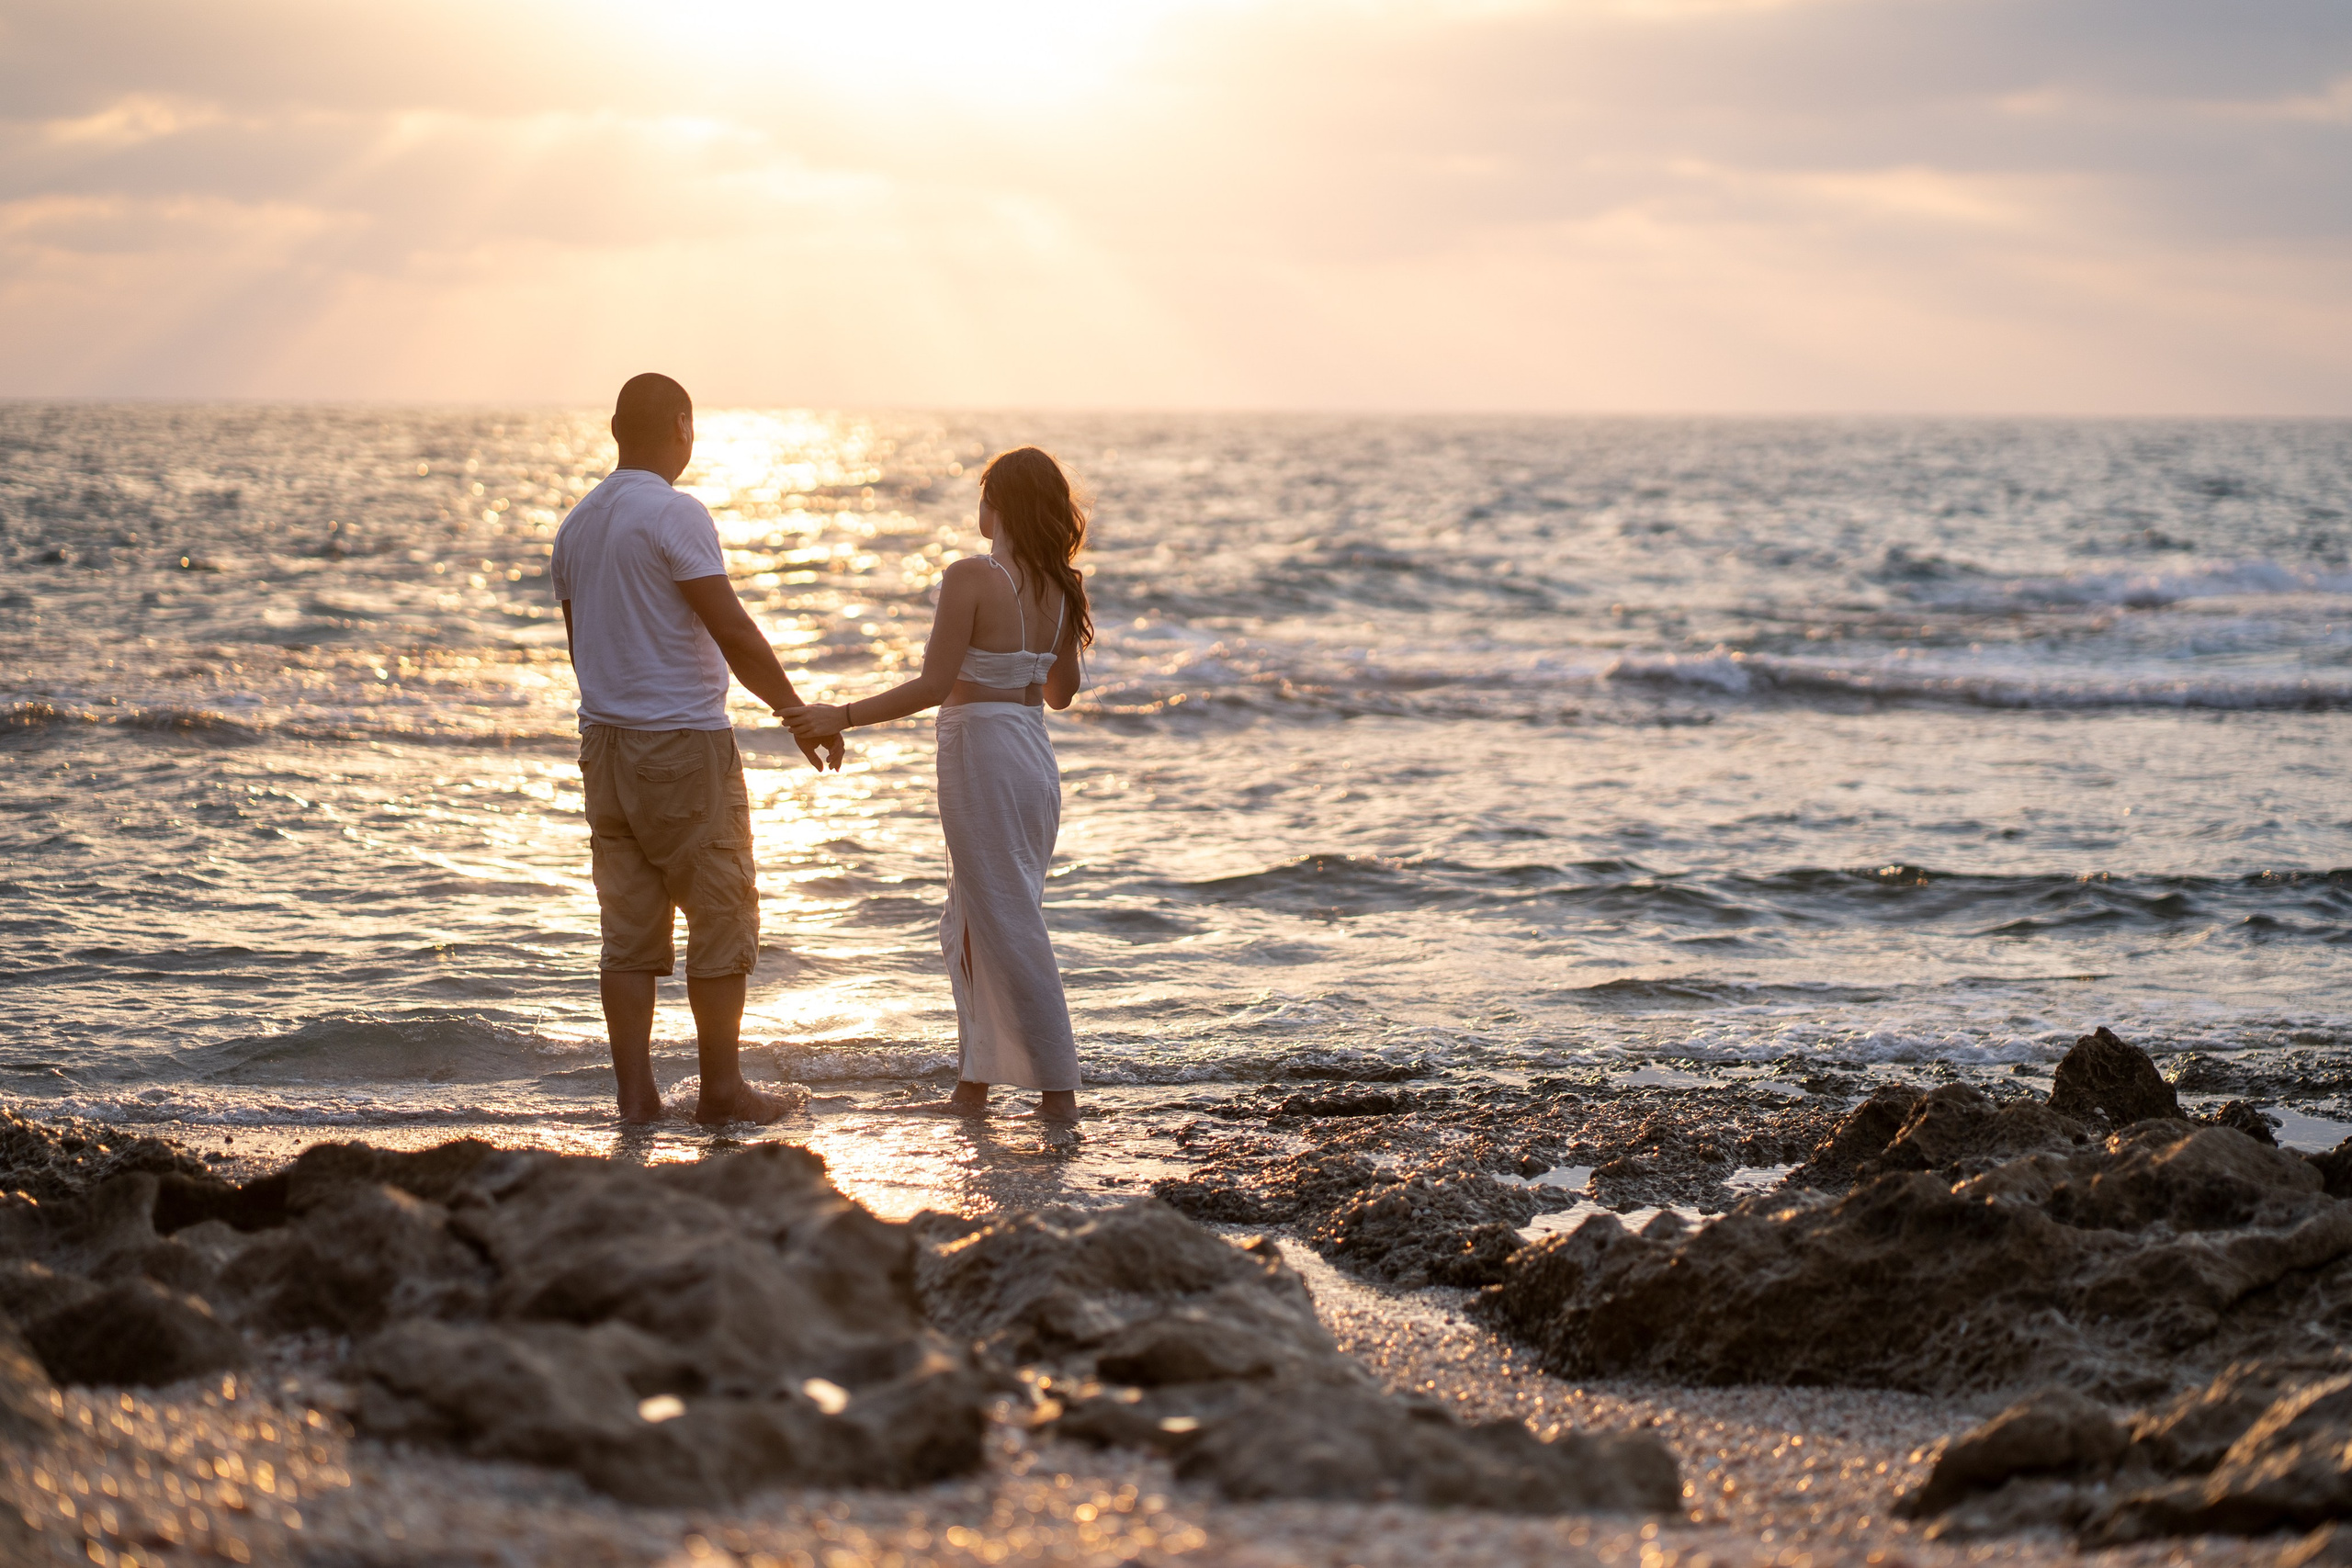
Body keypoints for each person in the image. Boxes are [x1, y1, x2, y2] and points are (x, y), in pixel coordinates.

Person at [550, 372, 843, 1125]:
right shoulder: (675, 513)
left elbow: (582, 646)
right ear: (682, 425)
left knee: (628, 928)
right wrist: (796, 711)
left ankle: (637, 1098)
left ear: (617, 429)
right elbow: (733, 629)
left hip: (602, 744)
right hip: (680, 743)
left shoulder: (577, 524)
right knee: (720, 911)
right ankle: (721, 1091)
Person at [779, 447, 1091, 1125]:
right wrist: (1028, 656)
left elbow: (932, 684)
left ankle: (1059, 1090)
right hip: (1033, 754)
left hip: (982, 753)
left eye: (983, 496)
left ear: (998, 506)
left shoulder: (971, 577)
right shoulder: (1063, 586)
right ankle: (975, 1084)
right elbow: (1060, 694)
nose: (978, 509)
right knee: (978, 919)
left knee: (1006, 920)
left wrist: (844, 715)